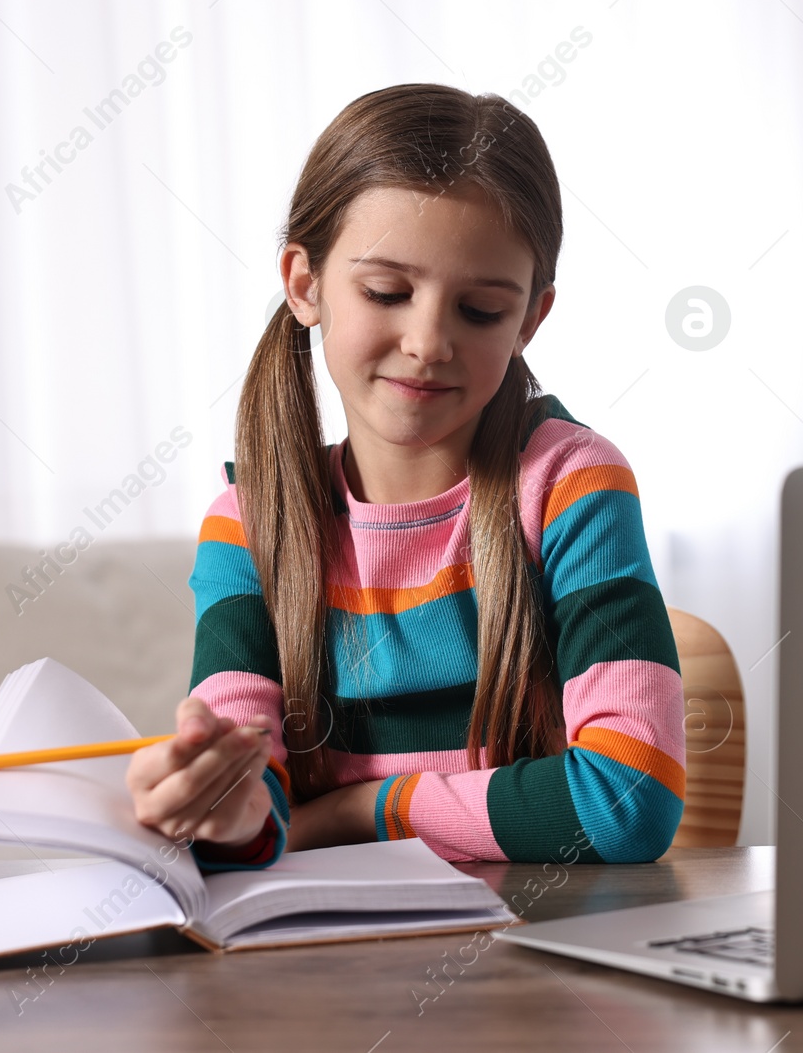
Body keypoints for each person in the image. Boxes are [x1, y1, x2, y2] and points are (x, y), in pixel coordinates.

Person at [125, 82, 685, 871]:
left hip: (535, 964)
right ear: (304, 283)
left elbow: (628, 801)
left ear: (530, 317)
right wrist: (224, 810)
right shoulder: (247, 524)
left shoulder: (571, 483)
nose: (428, 342)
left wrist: (364, 809)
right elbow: (251, 822)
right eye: (387, 292)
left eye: (482, 310)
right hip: (332, 977)